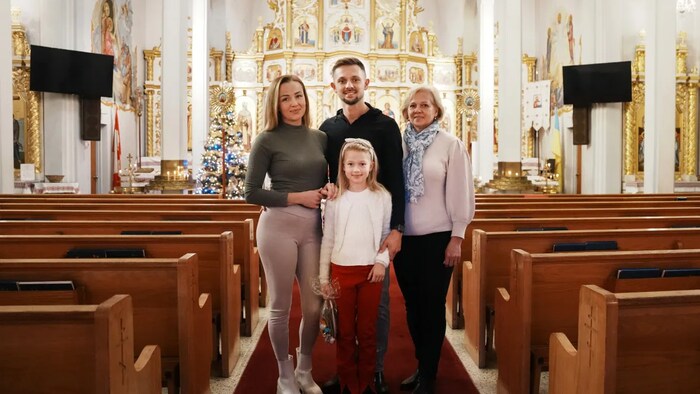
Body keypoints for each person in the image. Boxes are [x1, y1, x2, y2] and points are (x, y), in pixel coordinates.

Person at [320, 57, 405, 394]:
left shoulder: (385, 125)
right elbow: (326, 175)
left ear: (366, 83)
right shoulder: (328, 128)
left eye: (355, 79)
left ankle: (375, 370)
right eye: (342, 81)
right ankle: (345, 374)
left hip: (377, 232)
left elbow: (397, 180)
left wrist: (397, 227)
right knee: (343, 317)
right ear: (334, 87)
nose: (349, 85)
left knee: (377, 310)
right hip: (342, 227)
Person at [245, 74, 331, 394]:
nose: (294, 103)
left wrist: (327, 189)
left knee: (313, 306)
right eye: (286, 98)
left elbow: (332, 173)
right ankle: (284, 374)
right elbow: (251, 192)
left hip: (313, 228)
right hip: (278, 226)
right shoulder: (266, 140)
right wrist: (298, 197)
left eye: (299, 96)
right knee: (280, 304)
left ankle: (304, 369)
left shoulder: (319, 137)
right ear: (276, 104)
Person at [394, 86, 474, 394]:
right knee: (412, 308)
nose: (417, 110)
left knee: (431, 306)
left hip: (438, 238)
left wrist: (457, 236)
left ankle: (429, 374)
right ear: (406, 111)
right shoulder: (399, 144)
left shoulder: (450, 144)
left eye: (424, 105)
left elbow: (461, 191)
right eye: (412, 105)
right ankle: (421, 365)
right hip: (405, 239)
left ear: (436, 110)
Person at [319, 138, 392, 394]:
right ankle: (348, 380)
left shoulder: (382, 196)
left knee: (368, 330)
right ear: (342, 166)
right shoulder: (336, 198)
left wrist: (382, 262)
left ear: (372, 165)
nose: (356, 169)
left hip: (372, 272)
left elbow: (386, 235)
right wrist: (324, 278)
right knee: (346, 331)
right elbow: (327, 240)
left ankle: (368, 380)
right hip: (342, 270)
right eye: (350, 164)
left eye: (362, 163)